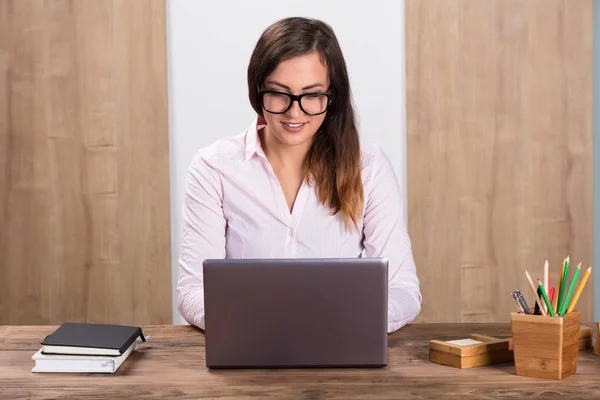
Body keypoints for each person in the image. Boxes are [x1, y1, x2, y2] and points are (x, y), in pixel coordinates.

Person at [177, 17, 422, 333]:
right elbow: (193, 292)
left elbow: (403, 290)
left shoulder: (369, 167)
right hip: (248, 352)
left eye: (311, 95)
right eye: (280, 93)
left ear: (331, 96)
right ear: (258, 90)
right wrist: (255, 324)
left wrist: (349, 321)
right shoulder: (214, 168)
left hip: (342, 350)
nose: (295, 112)